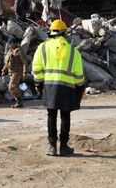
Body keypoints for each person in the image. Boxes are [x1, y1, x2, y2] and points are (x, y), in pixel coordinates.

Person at [32, 19, 86, 156]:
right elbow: (78, 73)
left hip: (49, 86)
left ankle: (52, 147)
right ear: (64, 33)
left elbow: (36, 68)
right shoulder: (73, 51)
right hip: (67, 88)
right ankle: (64, 147)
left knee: (51, 115)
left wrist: (38, 84)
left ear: (51, 32)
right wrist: (81, 87)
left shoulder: (42, 47)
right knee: (65, 116)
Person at [2, 36, 25, 108]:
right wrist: (3, 70)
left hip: (17, 72)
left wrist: (25, 72)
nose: (9, 45)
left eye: (11, 43)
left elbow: (24, 62)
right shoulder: (10, 51)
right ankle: (19, 103)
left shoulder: (19, 51)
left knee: (12, 87)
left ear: (14, 43)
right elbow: (7, 62)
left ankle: (19, 99)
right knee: (13, 87)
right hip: (11, 72)